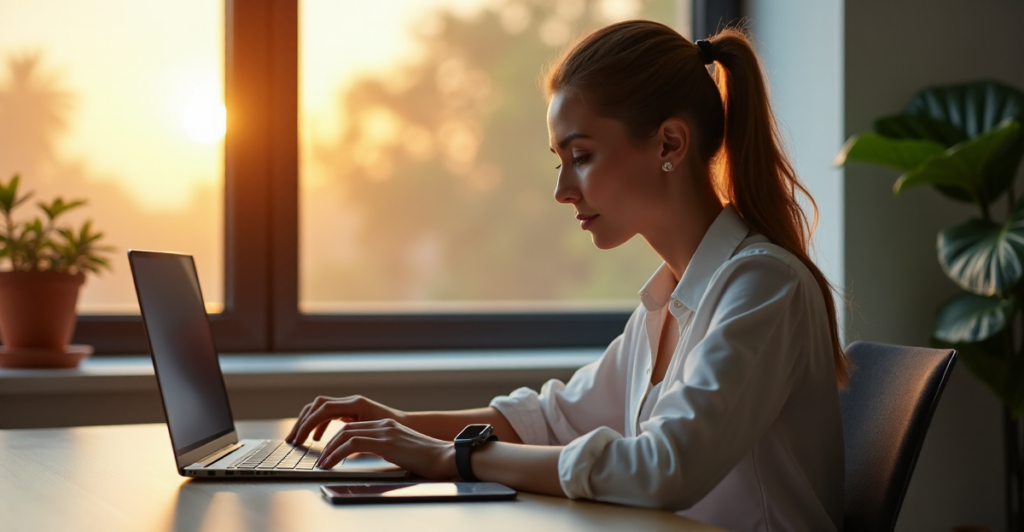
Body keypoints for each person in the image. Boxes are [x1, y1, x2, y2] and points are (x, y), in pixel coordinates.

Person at [287, 20, 848, 532]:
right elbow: (551, 421)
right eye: (560, 160)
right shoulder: (667, 302)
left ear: (669, 144)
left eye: (581, 156)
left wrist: (454, 456)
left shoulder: (761, 288)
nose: (562, 190)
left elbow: (665, 468)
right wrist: (401, 427)